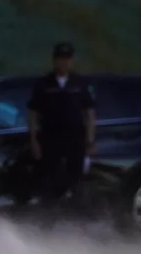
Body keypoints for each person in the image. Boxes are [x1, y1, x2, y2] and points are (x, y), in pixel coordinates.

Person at [25, 42, 96, 207]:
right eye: (60, 58)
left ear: (71, 61)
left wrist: (90, 140)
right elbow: (33, 114)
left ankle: (74, 214)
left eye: (67, 59)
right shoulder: (43, 84)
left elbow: (90, 114)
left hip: (75, 138)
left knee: (75, 177)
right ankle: (49, 216)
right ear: (53, 60)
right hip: (50, 138)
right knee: (49, 177)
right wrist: (34, 140)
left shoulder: (80, 83)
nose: (63, 62)